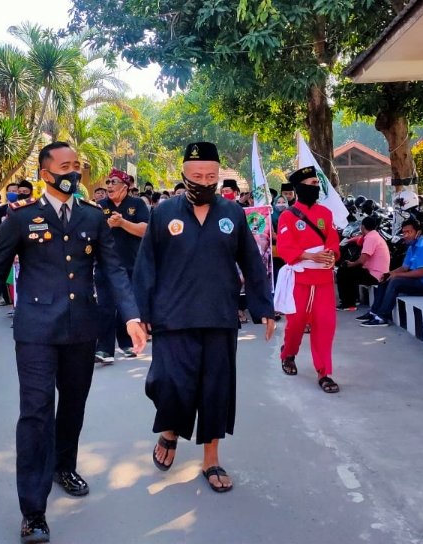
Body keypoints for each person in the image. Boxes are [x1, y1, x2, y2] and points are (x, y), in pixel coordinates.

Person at [0, 142, 146, 544]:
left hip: (82, 328)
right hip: (36, 332)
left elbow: (113, 270)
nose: (73, 172)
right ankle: (33, 510)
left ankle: (65, 465)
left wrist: (132, 316)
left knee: (73, 405)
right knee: (36, 412)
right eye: (65, 166)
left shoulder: (92, 217)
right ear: (45, 174)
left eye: (76, 165)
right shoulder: (21, 218)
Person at [133, 141, 275, 494]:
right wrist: (140, 313)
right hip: (172, 315)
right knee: (168, 382)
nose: (203, 181)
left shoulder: (232, 213)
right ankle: (170, 429)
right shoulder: (164, 213)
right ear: (183, 174)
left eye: (211, 176)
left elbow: (252, 263)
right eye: (196, 175)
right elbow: (146, 264)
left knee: (215, 390)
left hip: (218, 315)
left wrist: (264, 308)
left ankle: (211, 457)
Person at [275, 166, 341, 393]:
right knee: (296, 323)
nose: (316, 187)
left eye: (316, 183)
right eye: (312, 184)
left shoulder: (325, 214)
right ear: (299, 187)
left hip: (323, 278)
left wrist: (331, 254)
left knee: (325, 324)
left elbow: (333, 240)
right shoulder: (287, 215)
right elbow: (284, 247)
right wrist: (309, 255)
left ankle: (324, 373)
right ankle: (288, 354)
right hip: (300, 279)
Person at [95, 168, 149, 364]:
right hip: (105, 265)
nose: (109, 186)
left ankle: (127, 344)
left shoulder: (137, 204)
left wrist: (123, 223)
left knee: (127, 306)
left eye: (114, 182)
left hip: (131, 263)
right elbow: (91, 233)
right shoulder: (100, 206)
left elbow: (145, 230)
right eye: (108, 182)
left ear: (125, 187)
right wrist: (107, 226)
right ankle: (104, 349)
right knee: (105, 307)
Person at [359, 218, 423, 327]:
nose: (405, 235)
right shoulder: (412, 247)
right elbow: (405, 267)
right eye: (404, 232)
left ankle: (382, 317)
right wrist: (389, 273)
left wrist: (396, 275)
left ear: (418, 232)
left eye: (408, 232)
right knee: (385, 278)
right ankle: (373, 312)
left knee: (396, 281)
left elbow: (422, 272)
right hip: (421, 282)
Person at [336, 215, 390, 311]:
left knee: (344, 271)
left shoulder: (370, 239)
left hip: (375, 275)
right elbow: (359, 239)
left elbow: (362, 259)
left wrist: (351, 263)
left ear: (363, 226)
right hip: (377, 272)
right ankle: (352, 300)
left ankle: (348, 303)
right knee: (350, 271)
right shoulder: (374, 235)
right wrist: (349, 240)